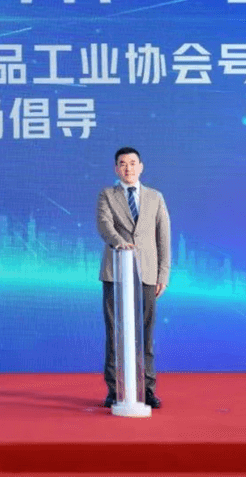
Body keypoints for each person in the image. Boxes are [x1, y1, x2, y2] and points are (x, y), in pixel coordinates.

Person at [96, 147, 170, 409]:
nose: (128, 168)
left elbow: (163, 237)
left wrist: (163, 274)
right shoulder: (107, 195)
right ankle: (115, 390)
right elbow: (104, 224)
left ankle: (147, 389)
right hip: (116, 273)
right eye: (122, 164)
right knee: (115, 332)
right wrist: (120, 243)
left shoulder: (155, 197)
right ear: (116, 169)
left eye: (132, 163)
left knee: (146, 333)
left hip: (147, 272)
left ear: (141, 167)